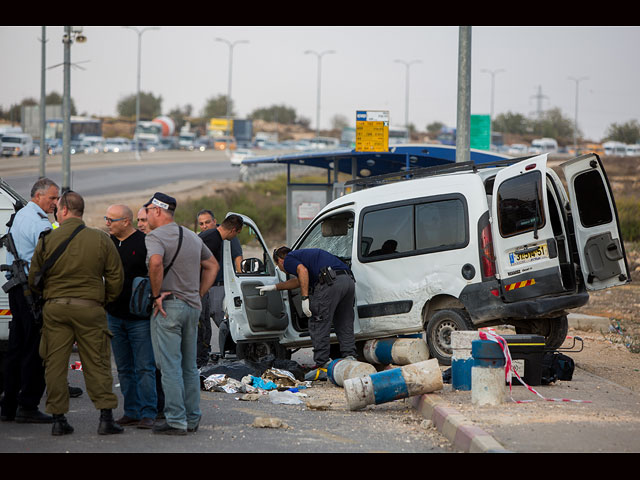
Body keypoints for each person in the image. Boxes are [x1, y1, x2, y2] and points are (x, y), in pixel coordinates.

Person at [29, 190, 124, 436]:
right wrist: (103, 299)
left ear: (62, 211)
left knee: (55, 364)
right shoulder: (100, 239)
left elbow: (34, 278)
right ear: (80, 211)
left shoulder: (47, 239)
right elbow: (115, 276)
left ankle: (59, 420)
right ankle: (105, 418)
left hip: (56, 308)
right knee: (97, 362)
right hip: (90, 308)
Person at [144, 192, 217, 435]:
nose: (145, 216)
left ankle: (176, 420)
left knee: (170, 366)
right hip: (192, 308)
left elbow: (155, 263)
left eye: (148, 211)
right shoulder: (190, 235)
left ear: (157, 211)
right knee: (189, 366)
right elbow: (212, 265)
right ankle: (193, 417)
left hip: (169, 308)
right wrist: (199, 293)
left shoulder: (155, 236)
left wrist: (156, 295)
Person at [0, 178, 59, 424]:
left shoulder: (23, 215)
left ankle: (9, 404)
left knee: (16, 348)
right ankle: (27, 404)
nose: (55, 203)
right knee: (35, 350)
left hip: (18, 289)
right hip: (30, 292)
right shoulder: (38, 222)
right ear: (37, 196)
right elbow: (50, 258)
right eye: (52, 198)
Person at [260, 247, 357, 375]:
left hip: (330, 283)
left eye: (278, 265)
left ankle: (323, 364)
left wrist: (305, 298)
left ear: (280, 260)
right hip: (348, 281)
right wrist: (274, 287)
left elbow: (302, 271)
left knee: (318, 323)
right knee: (344, 322)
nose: (281, 269)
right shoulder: (308, 258)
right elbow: (298, 281)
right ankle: (350, 357)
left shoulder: (288, 258)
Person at [104, 204, 157, 429]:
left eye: (111, 220)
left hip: (139, 318)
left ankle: (149, 412)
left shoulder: (145, 243)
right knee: (124, 368)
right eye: (106, 219)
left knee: (145, 367)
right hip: (114, 315)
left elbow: (155, 272)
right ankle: (131, 411)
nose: (107, 223)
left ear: (126, 221)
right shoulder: (107, 243)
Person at [196, 209, 243, 361]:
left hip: (200, 287)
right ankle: (198, 359)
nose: (204, 225)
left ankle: (202, 355)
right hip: (197, 288)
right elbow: (199, 264)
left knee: (204, 325)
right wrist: (201, 291)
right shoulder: (213, 239)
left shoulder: (212, 237)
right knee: (201, 325)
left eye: (206, 222)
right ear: (234, 230)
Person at [136, 204, 165, 420]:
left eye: (144, 221)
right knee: (144, 364)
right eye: (138, 221)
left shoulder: (162, 243)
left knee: (159, 364)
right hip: (138, 313)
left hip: (160, 312)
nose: (140, 225)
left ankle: (161, 406)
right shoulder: (136, 243)